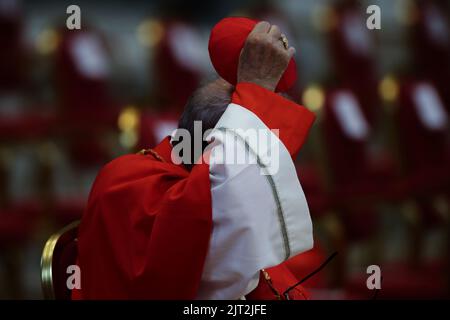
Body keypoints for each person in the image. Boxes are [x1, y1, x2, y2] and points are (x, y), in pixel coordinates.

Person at [74, 21, 316, 300]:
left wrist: (254, 98)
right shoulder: (126, 187)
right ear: (216, 156)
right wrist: (255, 91)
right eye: (259, 161)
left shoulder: (210, 190)